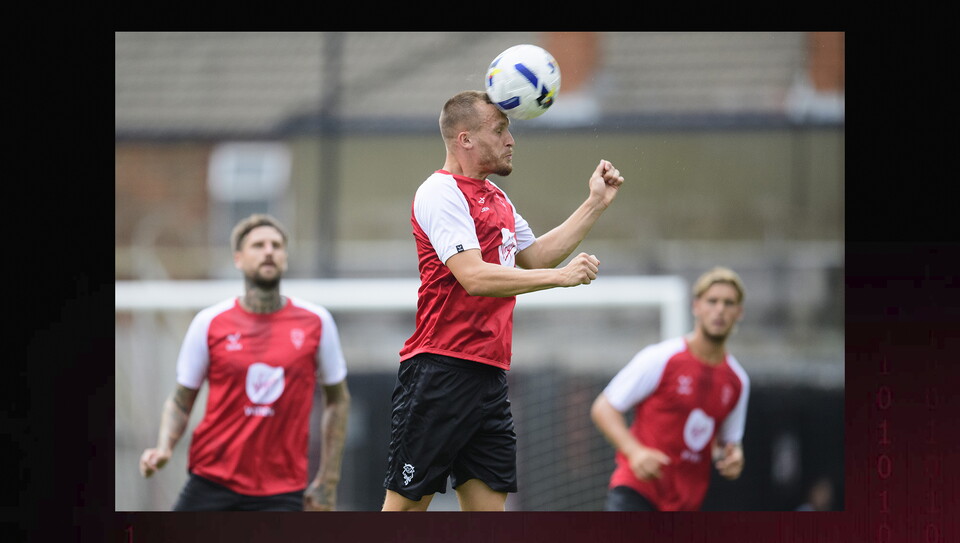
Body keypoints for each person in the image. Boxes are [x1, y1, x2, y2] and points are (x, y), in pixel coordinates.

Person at [381, 90, 625, 512]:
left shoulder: (497, 199)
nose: (511, 139)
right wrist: (561, 278)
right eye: (500, 129)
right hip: (440, 371)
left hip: (490, 376)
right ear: (465, 140)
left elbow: (533, 258)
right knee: (404, 510)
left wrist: (594, 204)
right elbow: (473, 277)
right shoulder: (440, 192)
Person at [138, 213, 351, 511]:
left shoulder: (317, 322)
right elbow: (180, 401)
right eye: (258, 245)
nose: (268, 251)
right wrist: (164, 448)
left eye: (276, 245)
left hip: (282, 489)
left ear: (285, 258)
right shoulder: (209, 323)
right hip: (212, 480)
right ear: (238, 258)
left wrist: (327, 481)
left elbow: (337, 400)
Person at [591, 266, 750, 511]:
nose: (720, 309)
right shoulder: (662, 358)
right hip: (637, 492)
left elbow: (728, 443)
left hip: (685, 505)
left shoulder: (737, 381)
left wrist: (734, 458)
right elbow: (604, 407)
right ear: (696, 306)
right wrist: (635, 452)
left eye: (728, 303)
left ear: (739, 312)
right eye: (712, 301)